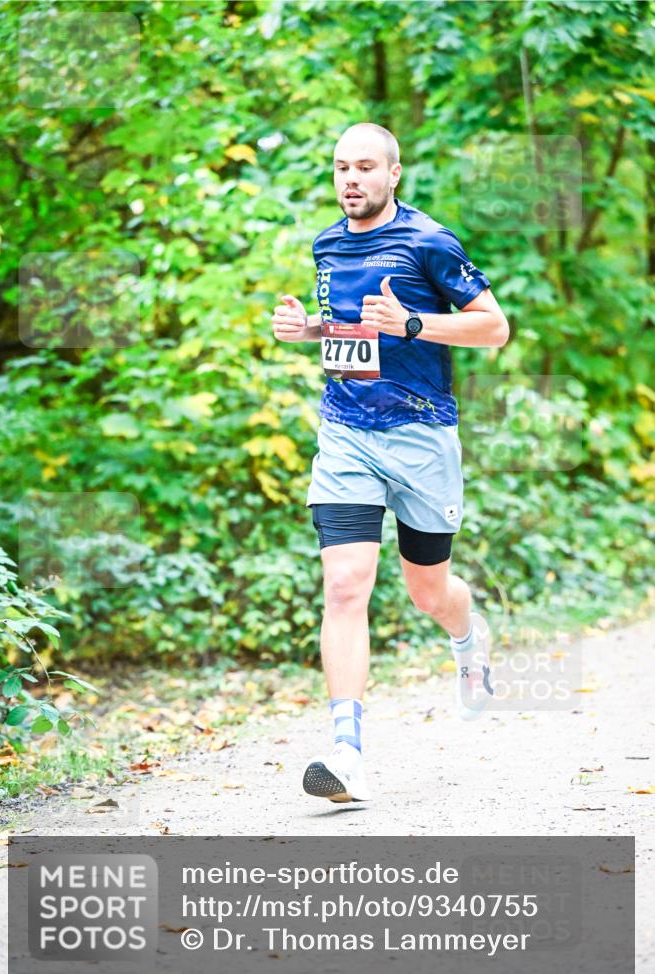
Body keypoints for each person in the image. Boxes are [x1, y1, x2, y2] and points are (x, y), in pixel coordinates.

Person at [271, 122, 509, 804]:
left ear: (393, 174)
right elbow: (352, 330)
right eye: (341, 167)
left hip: (422, 435)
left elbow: (493, 328)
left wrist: (410, 322)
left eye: (365, 167)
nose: (351, 179)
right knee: (345, 586)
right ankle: (345, 753)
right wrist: (308, 330)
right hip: (346, 431)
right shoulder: (323, 245)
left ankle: (467, 637)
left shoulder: (428, 242)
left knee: (426, 590)